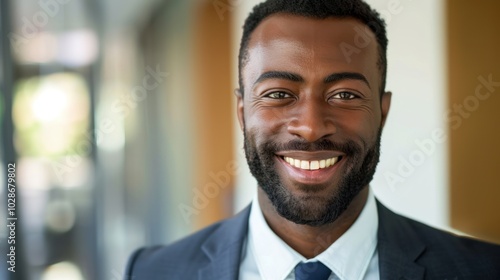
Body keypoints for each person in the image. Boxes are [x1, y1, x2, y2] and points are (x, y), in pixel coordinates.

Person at [125, 0, 500, 279]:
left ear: (382, 113)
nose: (310, 126)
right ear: (242, 111)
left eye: (345, 95)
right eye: (278, 94)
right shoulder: (153, 272)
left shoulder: (483, 270)